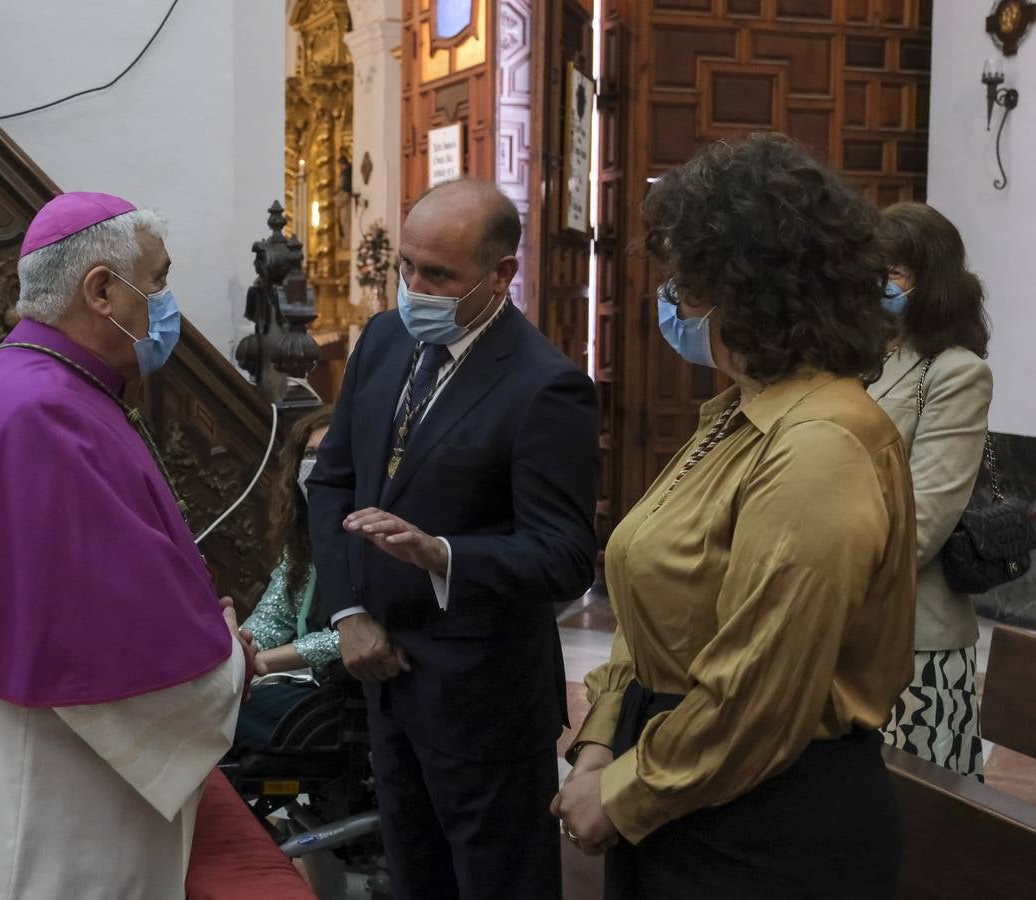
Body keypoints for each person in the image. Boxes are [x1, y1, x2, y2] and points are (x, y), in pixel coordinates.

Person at [555, 134, 916, 898]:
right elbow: (651, 614)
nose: (677, 306)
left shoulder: (820, 442)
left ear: (753, 291)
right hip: (685, 786)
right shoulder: (736, 414)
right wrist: (598, 746)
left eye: (690, 286)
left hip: (768, 826)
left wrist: (621, 792)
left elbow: (761, 692)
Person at [0, 192, 262, 900]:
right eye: (159, 279)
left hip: (19, 749)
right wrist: (224, 662)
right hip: (52, 781)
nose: (166, 301)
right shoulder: (46, 413)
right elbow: (97, 633)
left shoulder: (29, 382)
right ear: (101, 290)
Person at [308, 178, 600, 900]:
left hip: (484, 702)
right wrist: (348, 613)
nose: (414, 287)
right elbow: (333, 483)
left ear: (501, 274)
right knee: (413, 878)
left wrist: (443, 555)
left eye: (438, 274)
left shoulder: (545, 386)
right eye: (406, 265)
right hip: (381, 676)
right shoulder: (383, 339)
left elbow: (565, 555)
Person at [869, 202, 993, 778]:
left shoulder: (954, 370)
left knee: (922, 829)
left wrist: (824, 572)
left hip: (914, 640)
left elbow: (924, 519)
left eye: (895, 271)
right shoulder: (863, 360)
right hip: (844, 626)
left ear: (932, 279)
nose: (880, 284)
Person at [236, 406, 340, 752]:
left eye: (328, 453)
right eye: (309, 454)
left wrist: (263, 662)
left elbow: (351, 637)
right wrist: (242, 649)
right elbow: (273, 616)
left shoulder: (373, 535)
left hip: (345, 692)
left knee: (216, 713)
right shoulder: (304, 541)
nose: (314, 464)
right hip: (301, 685)